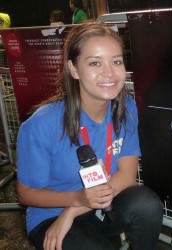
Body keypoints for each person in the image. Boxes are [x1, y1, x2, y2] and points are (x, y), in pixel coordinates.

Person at [16, 21, 163, 250]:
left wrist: (75, 209)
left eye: (116, 61)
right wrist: (76, 200)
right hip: (52, 217)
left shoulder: (126, 108)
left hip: (100, 207)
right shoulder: (41, 124)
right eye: (95, 63)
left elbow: (126, 175)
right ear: (74, 69)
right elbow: (26, 193)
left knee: (146, 204)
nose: (110, 73)